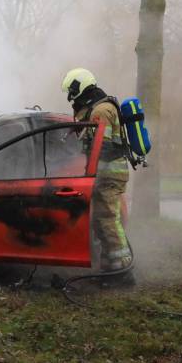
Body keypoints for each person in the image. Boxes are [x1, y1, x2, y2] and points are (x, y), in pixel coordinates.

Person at [61, 68, 133, 273]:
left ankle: (123, 267)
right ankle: (109, 265)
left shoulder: (101, 111)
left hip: (110, 173)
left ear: (81, 87)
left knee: (107, 218)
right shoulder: (98, 107)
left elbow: (103, 145)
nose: (70, 97)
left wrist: (84, 143)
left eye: (71, 91)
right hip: (106, 173)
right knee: (101, 219)